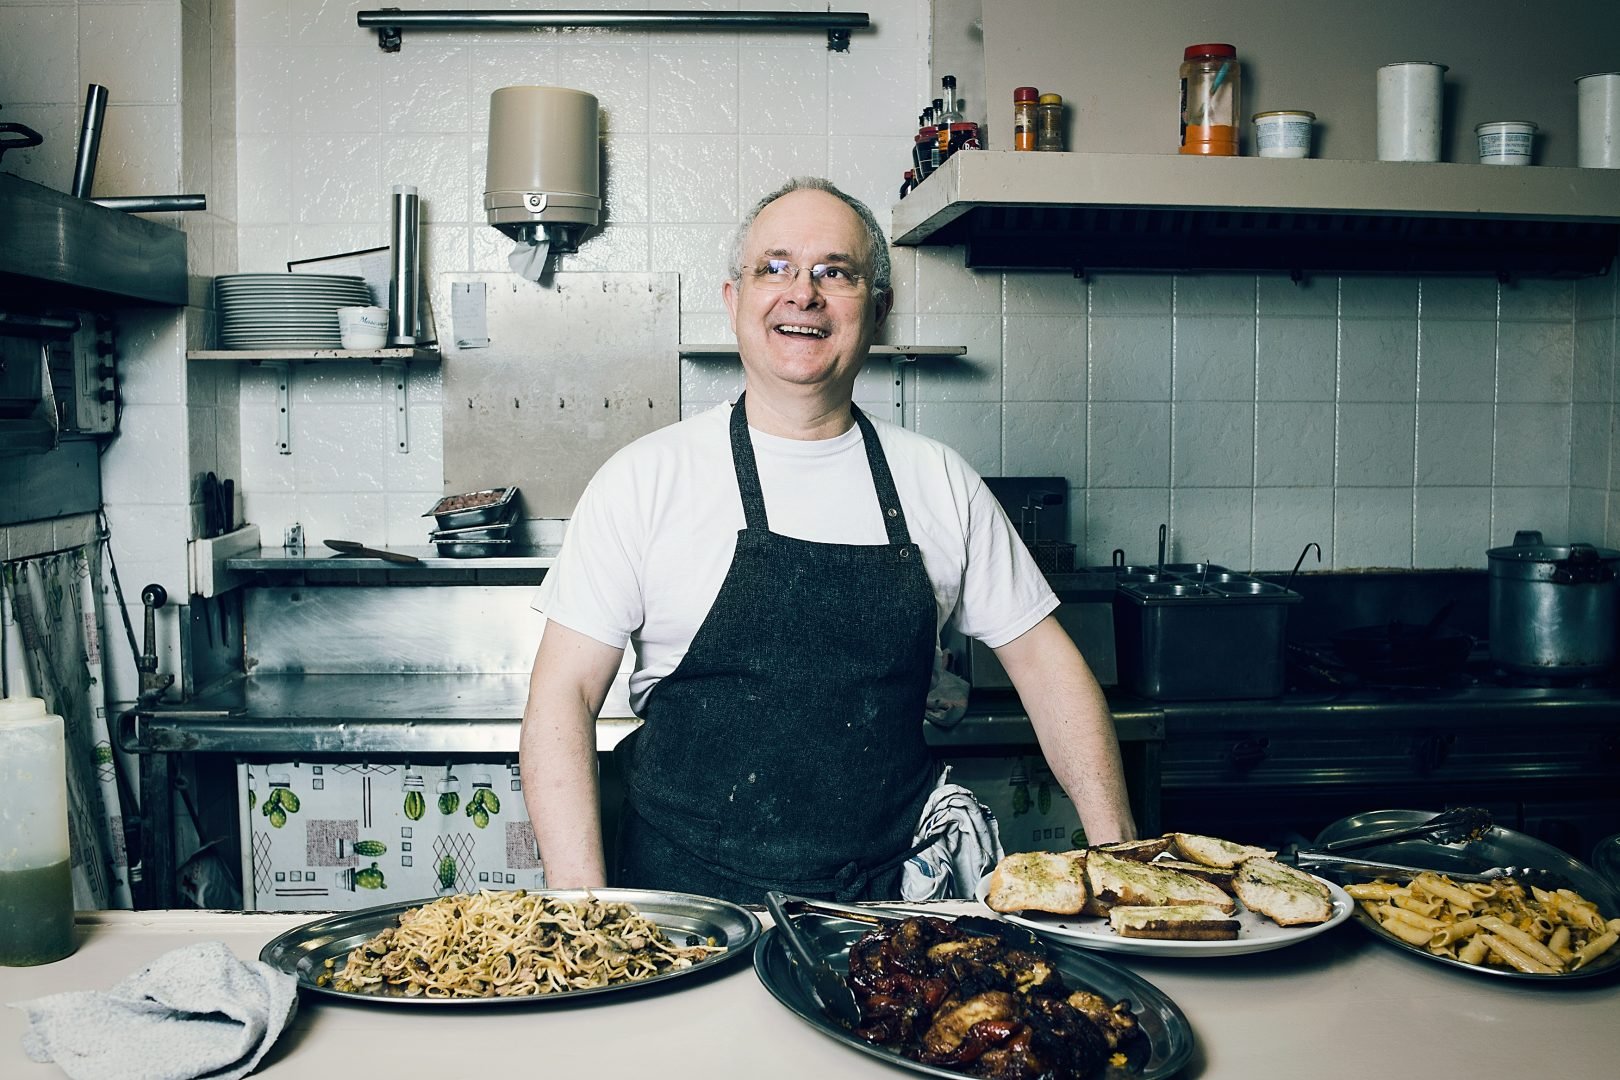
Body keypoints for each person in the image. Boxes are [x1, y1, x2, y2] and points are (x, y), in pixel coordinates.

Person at [518, 176, 1135, 905]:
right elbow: (563, 695)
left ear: (877, 310)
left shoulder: (937, 479)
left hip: (887, 919)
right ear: (734, 301)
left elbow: (1048, 668)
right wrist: (585, 910)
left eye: (834, 272)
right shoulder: (646, 478)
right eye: (773, 268)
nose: (801, 294)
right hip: (690, 910)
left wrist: (1123, 859)